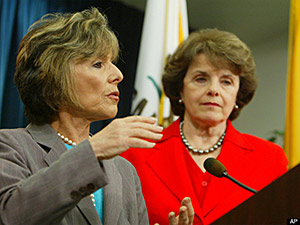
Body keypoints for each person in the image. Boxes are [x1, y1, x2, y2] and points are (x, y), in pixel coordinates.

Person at [0, 7, 194, 225]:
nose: (118, 75)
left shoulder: (125, 170)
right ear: (54, 76)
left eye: (113, 63)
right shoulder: (11, 146)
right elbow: (10, 215)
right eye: (98, 64)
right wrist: (93, 151)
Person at [122, 28, 288, 225]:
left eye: (226, 81)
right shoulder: (135, 154)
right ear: (180, 89)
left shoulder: (270, 160)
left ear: (238, 93)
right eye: (201, 78)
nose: (213, 90)